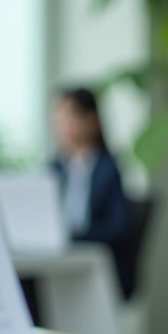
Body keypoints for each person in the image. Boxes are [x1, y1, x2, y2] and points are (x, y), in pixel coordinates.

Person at [52, 87, 134, 298]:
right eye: (60, 118)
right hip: (57, 259)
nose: (64, 126)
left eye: (72, 116)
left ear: (92, 120)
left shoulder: (109, 169)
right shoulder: (53, 169)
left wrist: (74, 234)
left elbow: (119, 228)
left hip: (96, 262)